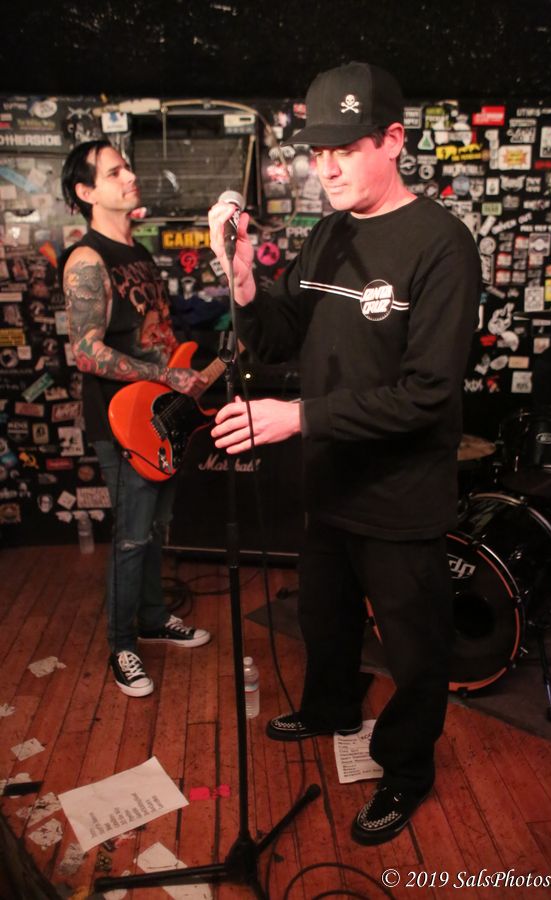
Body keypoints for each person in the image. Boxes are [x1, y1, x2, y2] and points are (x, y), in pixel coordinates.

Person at [208, 62, 481, 845]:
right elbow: (282, 334)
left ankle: (406, 770)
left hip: (400, 494)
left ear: (393, 140)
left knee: (415, 649)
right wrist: (245, 283)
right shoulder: (331, 231)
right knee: (323, 618)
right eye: (319, 152)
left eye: (346, 150)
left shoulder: (442, 245)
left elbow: (428, 394)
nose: (326, 169)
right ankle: (330, 708)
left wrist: (298, 416)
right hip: (329, 482)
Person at [60, 140, 213, 698]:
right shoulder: (86, 260)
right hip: (120, 422)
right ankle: (122, 645)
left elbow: (157, 336)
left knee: (153, 531)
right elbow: (86, 352)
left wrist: (180, 374)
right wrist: (164, 375)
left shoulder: (139, 253)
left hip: (161, 416)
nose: (129, 176)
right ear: (86, 192)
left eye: (127, 167)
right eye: (114, 172)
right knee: (129, 539)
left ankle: (151, 619)